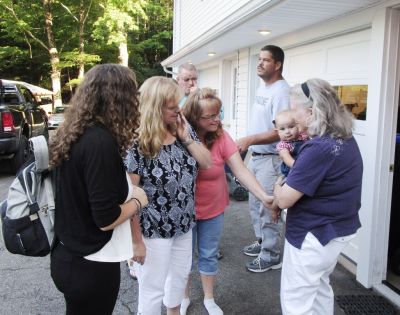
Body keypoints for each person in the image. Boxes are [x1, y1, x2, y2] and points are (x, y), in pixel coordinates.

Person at [49, 64, 148, 315]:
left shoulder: (72, 133)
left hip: (68, 255)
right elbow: (106, 218)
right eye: (132, 94)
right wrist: (138, 200)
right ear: (120, 98)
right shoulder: (99, 142)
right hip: (91, 265)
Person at [180, 88, 274, 315]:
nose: (216, 119)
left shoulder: (221, 136)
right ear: (194, 117)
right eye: (209, 116)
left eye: (218, 113)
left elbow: (240, 170)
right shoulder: (179, 137)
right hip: (184, 210)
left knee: (208, 253)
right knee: (182, 258)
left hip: (213, 208)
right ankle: (181, 297)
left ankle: (209, 299)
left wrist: (265, 197)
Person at [274, 79, 363, 315]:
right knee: (321, 290)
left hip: (313, 234)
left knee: (297, 304)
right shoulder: (344, 138)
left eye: (295, 110)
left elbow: (284, 200)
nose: (292, 116)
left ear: (311, 112)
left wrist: (276, 188)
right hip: (334, 233)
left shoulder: (319, 148)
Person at [125, 76, 212, 315]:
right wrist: (135, 241)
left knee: (179, 278)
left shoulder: (182, 129)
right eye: (173, 106)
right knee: (152, 288)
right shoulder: (137, 143)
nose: (179, 110)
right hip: (153, 229)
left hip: (184, 223)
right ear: (155, 107)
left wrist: (186, 139)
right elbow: (130, 196)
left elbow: (206, 163)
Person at [236, 45, 290, 272]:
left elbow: (281, 130)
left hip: (270, 158)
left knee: (268, 207)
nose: (259, 63)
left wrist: (249, 140)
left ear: (277, 65)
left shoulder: (281, 91)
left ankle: (271, 255)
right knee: (255, 204)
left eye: (265, 60)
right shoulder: (264, 87)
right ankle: (261, 242)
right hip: (257, 156)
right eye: (259, 59)